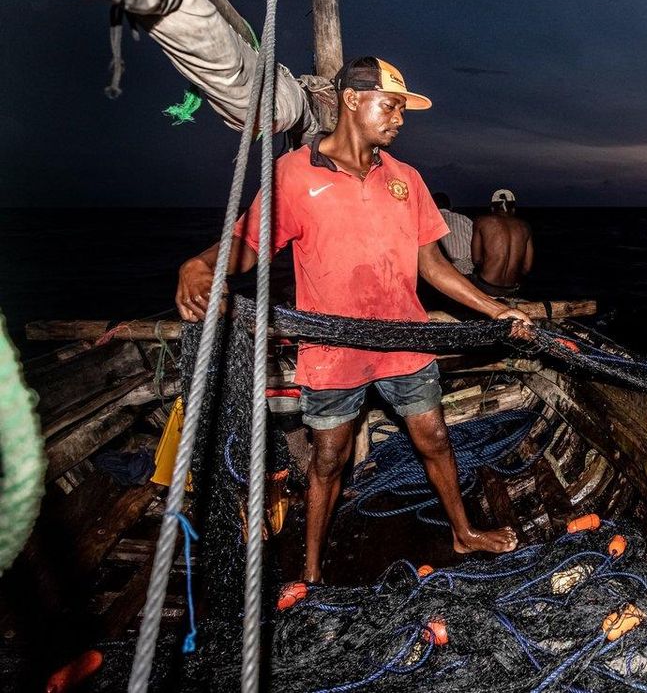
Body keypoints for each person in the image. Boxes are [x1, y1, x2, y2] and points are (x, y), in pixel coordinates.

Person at [175, 56, 530, 582]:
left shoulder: (406, 179)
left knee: (434, 438)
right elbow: (247, 246)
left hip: (404, 341)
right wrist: (200, 264)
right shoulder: (293, 175)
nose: (400, 119)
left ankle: (464, 531)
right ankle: (313, 570)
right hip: (333, 349)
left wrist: (498, 309)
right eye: (391, 105)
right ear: (351, 100)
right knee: (327, 461)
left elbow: (431, 265)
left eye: (403, 109)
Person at [469, 188, 533, 298]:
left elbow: (477, 260)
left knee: (464, 278)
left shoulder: (482, 222)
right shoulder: (525, 227)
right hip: (511, 288)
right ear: (513, 209)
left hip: (487, 285)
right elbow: (527, 268)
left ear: (492, 207)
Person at [432, 192, 475, 276]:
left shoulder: (427, 222)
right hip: (468, 269)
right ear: (450, 206)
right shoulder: (463, 219)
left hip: (441, 271)